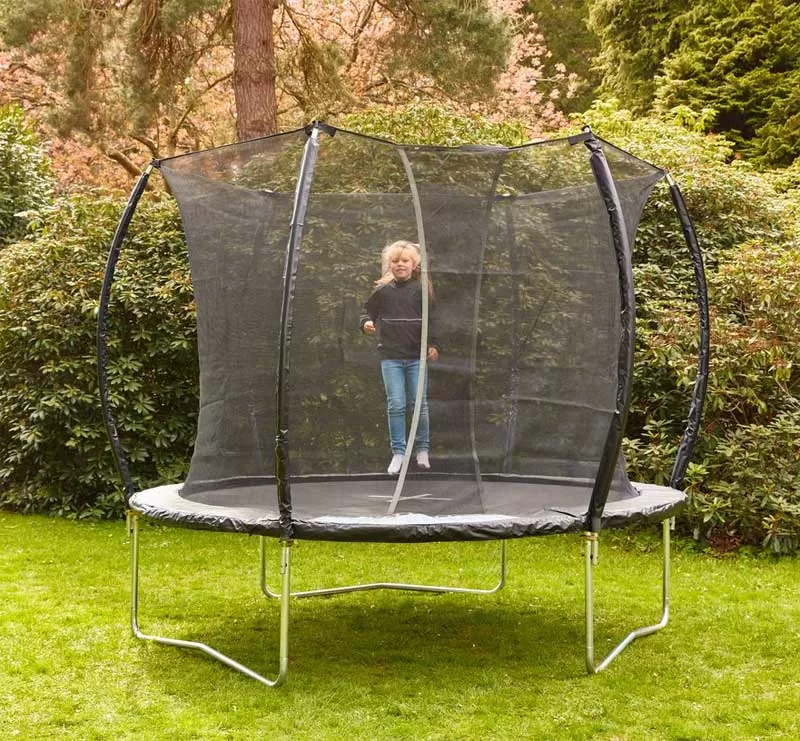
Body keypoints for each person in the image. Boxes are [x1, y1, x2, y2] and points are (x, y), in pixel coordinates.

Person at [360, 240, 440, 475]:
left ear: (414, 264)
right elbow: (367, 311)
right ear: (389, 265)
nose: (400, 264)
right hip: (391, 357)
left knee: (419, 404)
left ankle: (422, 449)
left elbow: (433, 320)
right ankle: (398, 452)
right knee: (396, 404)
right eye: (395, 261)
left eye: (405, 261)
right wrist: (366, 323)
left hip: (416, 357)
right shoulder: (383, 292)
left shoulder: (422, 290)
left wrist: (434, 345)